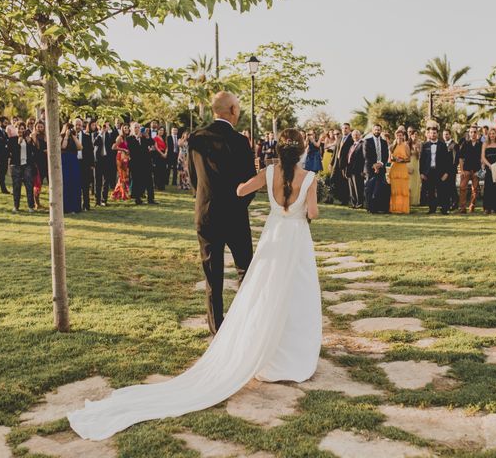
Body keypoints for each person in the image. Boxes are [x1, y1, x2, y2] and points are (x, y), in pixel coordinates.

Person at [67, 127, 321, 442]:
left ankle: (266, 351)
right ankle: (292, 355)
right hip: (295, 241)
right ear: (301, 151)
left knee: (266, 294)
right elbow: (313, 213)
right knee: (296, 295)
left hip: (273, 238)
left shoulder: (268, 172)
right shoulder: (310, 178)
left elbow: (241, 190)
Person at [185, 91, 257, 335]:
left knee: (212, 274)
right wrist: (238, 206)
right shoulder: (240, 142)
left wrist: (205, 200)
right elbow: (250, 183)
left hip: (206, 214)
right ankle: (246, 322)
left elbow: (194, 179)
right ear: (233, 111)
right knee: (245, 270)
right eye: (238, 107)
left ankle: (217, 328)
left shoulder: (195, 138)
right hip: (235, 215)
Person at [419, 120, 450, 215]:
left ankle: (444, 209)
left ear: (437, 134)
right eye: (431, 133)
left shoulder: (443, 145)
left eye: (434, 133)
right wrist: (421, 173)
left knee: (442, 191)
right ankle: (432, 209)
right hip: (429, 172)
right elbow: (422, 160)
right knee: (430, 191)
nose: (433, 134)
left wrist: (446, 173)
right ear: (429, 134)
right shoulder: (425, 145)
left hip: (440, 172)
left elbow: (447, 160)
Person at [8, 122, 36, 213]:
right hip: (16, 165)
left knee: (29, 185)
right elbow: (11, 153)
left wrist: (30, 143)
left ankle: (30, 206)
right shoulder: (12, 139)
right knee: (16, 186)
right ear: (16, 129)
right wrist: (18, 144)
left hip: (27, 165)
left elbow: (33, 152)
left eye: (23, 128)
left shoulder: (28, 139)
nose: (21, 130)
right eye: (19, 128)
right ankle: (16, 206)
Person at [127, 123, 157, 205]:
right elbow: (132, 149)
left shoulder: (144, 137)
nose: (137, 129)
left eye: (138, 127)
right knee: (137, 181)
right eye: (135, 127)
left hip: (146, 162)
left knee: (149, 181)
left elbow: (152, 142)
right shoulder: (130, 138)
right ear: (132, 129)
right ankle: (138, 199)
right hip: (136, 163)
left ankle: (151, 199)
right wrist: (137, 138)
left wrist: (147, 136)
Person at [363, 124, 390, 213]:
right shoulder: (367, 141)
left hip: (381, 168)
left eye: (379, 130)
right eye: (375, 130)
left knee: (379, 188)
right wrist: (374, 165)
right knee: (370, 188)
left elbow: (386, 155)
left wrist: (380, 164)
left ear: (381, 131)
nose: (377, 131)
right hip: (370, 168)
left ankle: (378, 207)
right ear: (372, 130)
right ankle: (370, 208)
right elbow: (366, 155)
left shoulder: (384, 142)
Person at [458, 125, 483, 213]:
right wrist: (462, 170)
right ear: (469, 133)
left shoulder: (481, 144)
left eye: (475, 132)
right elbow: (460, 157)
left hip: (477, 170)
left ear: (478, 133)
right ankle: (462, 207)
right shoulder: (465, 143)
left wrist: (480, 171)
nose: (473, 134)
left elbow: (483, 158)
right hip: (466, 170)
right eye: (471, 132)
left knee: (475, 189)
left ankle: (472, 205)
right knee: (462, 187)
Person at [481, 128, 496, 214]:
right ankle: (487, 207)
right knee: (488, 187)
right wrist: (489, 165)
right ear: (488, 135)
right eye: (490, 134)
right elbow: (483, 157)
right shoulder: (485, 144)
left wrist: (495, 165)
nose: (492, 135)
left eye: (493, 134)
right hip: (489, 167)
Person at [61, 123, 82, 213]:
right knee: (66, 182)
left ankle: (75, 206)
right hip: (65, 160)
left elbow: (80, 147)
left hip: (73, 160)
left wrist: (73, 136)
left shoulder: (74, 137)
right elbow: (63, 146)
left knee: (75, 182)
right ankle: (66, 207)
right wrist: (66, 135)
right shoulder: (61, 137)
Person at [330, 123, 353, 205]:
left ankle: (345, 200)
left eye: (346, 128)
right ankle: (332, 198)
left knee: (344, 182)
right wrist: (331, 163)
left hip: (345, 164)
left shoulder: (352, 138)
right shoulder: (339, 138)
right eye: (343, 128)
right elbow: (335, 151)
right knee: (333, 179)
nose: (344, 130)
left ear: (349, 129)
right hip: (336, 163)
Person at [93, 120, 115, 206]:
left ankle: (104, 200)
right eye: (102, 126)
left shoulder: (109, 134)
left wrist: (109, 129)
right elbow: (95, 143)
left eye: (105, 126)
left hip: (107, 160)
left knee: (106, 181)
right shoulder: (95, 134)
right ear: (98, 126)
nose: (104, 127)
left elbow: (114, 140)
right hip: (98, 160)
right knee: (97, 181)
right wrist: (100, 133)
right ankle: (97, 200)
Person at [389, 129, 411, 214]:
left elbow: (409, 159)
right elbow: (390, 158)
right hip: (394, 168)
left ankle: (403, 209)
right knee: (394, 189)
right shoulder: (392, 146)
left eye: (401, 135)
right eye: (397, 135)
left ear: (403, 136)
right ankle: (394, 208)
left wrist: (401, 160)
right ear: (395, 136)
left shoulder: (406, 145)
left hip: (402, 169)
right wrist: (394, 159)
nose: (399, 137)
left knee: (402, 189)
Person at [76, 119, 94, 211]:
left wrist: (91, 164)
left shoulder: (87, 137)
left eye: (79, 125)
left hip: (85, 163)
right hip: (74, 163)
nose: (78, 127)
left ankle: (86, 205)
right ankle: (76, 205)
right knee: (76, 185)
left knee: (85, 185)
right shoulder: (71, 136)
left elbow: (91, 151)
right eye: (76, 125)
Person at [346, 129, 365, 208]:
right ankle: (353, 203)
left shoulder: (363, 144)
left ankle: (359, 203)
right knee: (352, 187)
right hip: (350, 169)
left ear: (360, 135)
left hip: (358, 169)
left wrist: (363, 170)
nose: (355, 136)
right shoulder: (352, 145)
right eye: (354, 135)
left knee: (358, 187)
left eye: (357, 134)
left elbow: (364, 158)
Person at [111, 123, 130, 201]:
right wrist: (123, 150)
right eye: (125, 128)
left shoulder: (126, 138)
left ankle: (120, 193)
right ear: (122, 129)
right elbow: (113, 147)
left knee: (124, 176)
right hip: (120, 158)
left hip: (125, 158)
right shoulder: (120, 137)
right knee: (121, 176)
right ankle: (119, 194)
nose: (126, 129)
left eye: (127, 128)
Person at [31, 121, 48, 210]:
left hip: (47, 163)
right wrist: (34, 136)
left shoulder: (46, 136)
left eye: (42, 127)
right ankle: (37, 203)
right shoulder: (33, 136)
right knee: (38, 184)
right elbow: (35, 148)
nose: (40, 128)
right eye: (39, 127)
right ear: (36, 127)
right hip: (38, 163)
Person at [443, 129, 459, 210]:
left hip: (451, 170)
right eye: (444, 134)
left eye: (447, 134)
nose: (445, 136)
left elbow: (455, 160)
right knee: (445, 187)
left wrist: (450, 171)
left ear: (450, 135)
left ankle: (455, 203)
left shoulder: (454, 145)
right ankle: (447, 203)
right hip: (443, 170)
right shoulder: (442, 144)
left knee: (451, 186)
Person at [407, 127, 422, 206]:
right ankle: (408, 200)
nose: (415, 136)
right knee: (409, 183)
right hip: (409, 164)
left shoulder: (419, 144)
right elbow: (406, 156)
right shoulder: (407, 144)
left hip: (416, 164)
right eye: (413, 134)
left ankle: (415, 201)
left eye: (416, 135)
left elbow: (418, 157)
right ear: (411, 135)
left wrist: (416, 150)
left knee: (415, 183)